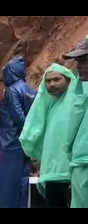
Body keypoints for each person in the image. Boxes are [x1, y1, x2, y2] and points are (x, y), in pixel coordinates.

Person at [19, 63, 85, 208]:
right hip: (51, 174)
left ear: (68, 80)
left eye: (56, 79)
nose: (52, 84)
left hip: (73, 173)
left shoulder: (78, 102)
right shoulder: (47, 106)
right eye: (48, 81)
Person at [0, 56, 37, 208]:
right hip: (23, 146)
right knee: (21, 184)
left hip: (10, 144)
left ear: (10, 71)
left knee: (8, 188)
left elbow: (19, 118)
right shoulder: (30, 90)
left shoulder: (12, 90)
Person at [62, 35, 88, 208]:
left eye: (84, 60)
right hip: (80, 162)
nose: (79, 65)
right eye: (78, 60)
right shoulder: (80, 91)